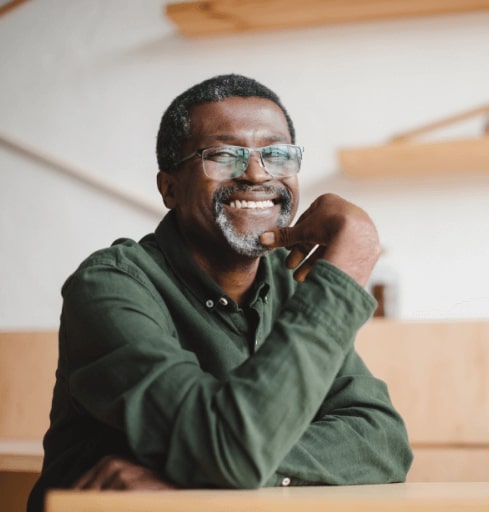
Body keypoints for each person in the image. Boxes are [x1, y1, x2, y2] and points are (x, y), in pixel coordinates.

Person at [28, 74, 412, 510]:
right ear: (168, 188)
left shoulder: (291, 283)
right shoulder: (109, 285)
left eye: (277, 154)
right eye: (224, 154)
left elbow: (383, 441)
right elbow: (227, 450)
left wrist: (211, 474)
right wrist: (345, 269)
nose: (256, 173)